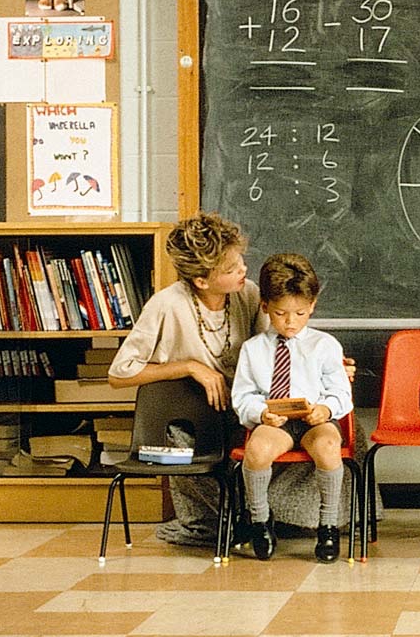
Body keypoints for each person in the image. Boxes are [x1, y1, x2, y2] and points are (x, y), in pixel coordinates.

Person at [108, 212, 347, 546]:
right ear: (202, 280)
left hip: (244, 404)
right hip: (196, 410)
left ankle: (305, 519)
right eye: (232, 268)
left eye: (241, 262)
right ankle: (232, 521)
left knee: (337, 432)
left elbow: (274, 350)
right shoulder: (165, 305)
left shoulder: (247, 292)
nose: (244, 271)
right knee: (191, 444)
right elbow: (120, 373)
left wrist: (322, 368)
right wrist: (191, 367)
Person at [232, 253, 352, 562]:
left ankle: (327, 525)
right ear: (265, 306)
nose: (290, 322)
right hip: (275, 423)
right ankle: (259, 521)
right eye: (281, 313)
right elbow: (242, 396)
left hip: (315, 420)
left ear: (312, 306)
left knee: (327, 446)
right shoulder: (253, 349)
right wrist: (261, 413)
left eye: (300, 313)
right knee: (257, 452)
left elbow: (340, 392)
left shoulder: (324, 345)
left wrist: (325, 409)